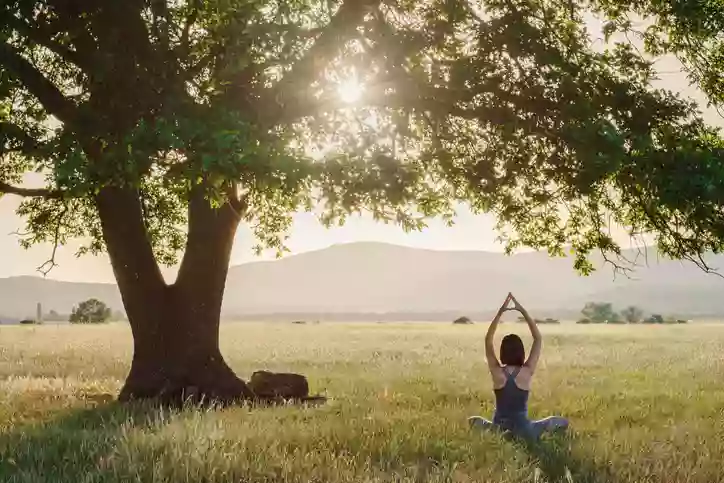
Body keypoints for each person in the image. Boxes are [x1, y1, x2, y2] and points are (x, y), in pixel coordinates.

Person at [468, 293, 568, 440]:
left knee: (473, 420)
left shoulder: (497, 372)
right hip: (524, 430)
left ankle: (498, 433)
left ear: (502, 352)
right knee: (562, 421)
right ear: (521, 352)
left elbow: (488, 340)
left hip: (499, 429)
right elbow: (538, 339)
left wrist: (500, 312)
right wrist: (522, 311)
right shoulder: (527, 371)